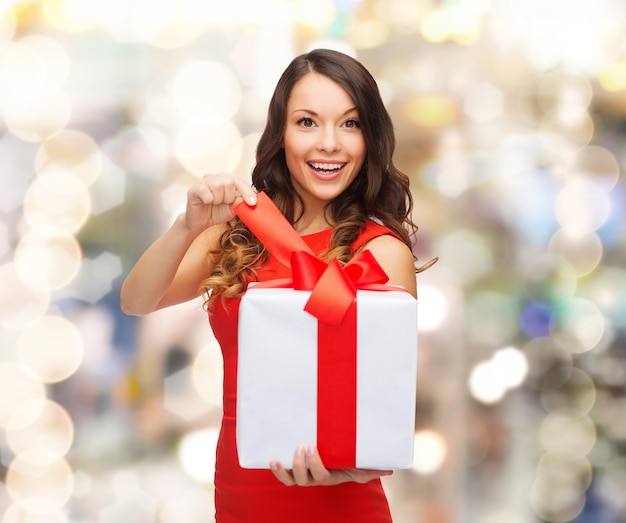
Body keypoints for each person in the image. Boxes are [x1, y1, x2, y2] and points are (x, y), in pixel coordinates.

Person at [121, 48, 432, 523]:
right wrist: (187, 225)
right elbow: (137, 300)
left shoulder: (381, 252)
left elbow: (383, 404)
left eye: (349, 124)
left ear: (370, 138)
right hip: (241, 494)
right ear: (281, 135)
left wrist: (348, 472)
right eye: (307, 122)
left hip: (340, 504)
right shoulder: (237, 233)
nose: (329, 143)